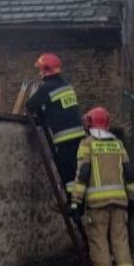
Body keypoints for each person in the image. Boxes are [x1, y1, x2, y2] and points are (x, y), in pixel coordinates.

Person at [69, 106, 134, 266]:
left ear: (89, 123)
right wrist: (132, 198)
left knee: (99, 242)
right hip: (120, 202)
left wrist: (75, 201)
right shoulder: (118, 145)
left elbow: (82, 175)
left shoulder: (87, 144)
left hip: (97, 205)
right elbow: (129, 174)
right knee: (120, 241)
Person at [25, 53, 85, 197]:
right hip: (79, 136)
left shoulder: (48, 87)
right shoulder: (67, 85)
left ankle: (73, 202)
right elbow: (59, 108)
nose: (40, 73)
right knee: (77, 170)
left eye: (41, 70)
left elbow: (30, 105)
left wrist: (40, 111)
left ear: (46, 70)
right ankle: (79, 200)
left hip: (65, 138)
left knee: (66, 172)